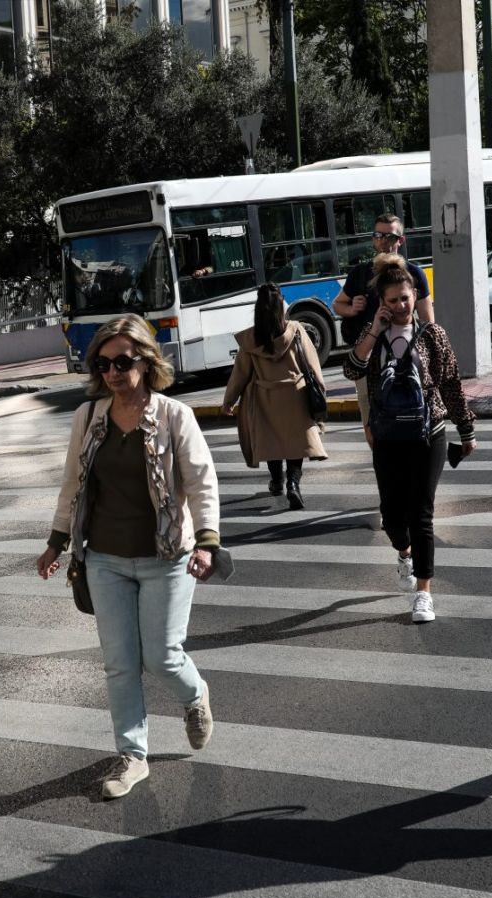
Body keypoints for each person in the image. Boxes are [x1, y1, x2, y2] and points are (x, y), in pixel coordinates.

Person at [36, 314, 221, 800]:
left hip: (166, 555)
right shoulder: (89, 417)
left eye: (122, 362)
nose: (113, 372)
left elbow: (201, 482)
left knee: (162, 657)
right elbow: (73, 485)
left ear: (146, 361)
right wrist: (56, 542)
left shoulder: (174, 415)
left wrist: (207, 542)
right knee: (119, 664)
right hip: (104, 559)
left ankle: (194, 695)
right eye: (103, 364)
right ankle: (132, 756)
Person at [342, 255, 477, 624]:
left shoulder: (433, 335)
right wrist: (374, 330)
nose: (401, 305)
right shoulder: (374, 337)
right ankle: (404, 553)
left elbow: (451, 384)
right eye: (393, 300)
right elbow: (351, 369)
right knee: (392, 518)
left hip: (428, 434)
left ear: (415, 295)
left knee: (421, 513)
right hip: (387, 436)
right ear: (382, 303)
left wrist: (466, 430)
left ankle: (423, 593)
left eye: (405, 298)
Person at [221, 283, 328, 509]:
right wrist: (320, 391)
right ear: (281, 306)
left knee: (272, 442)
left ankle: (277, 481)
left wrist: (229, 400)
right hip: (296, 396)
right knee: (296, 444)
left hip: (265, 397)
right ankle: (293, 484)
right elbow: (311, 364)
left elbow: (240, 374)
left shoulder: (250, 340)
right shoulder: (296, 330)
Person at [332, 214, 433, 445]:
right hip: (368, 359)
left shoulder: (414, 274)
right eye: (378, 235)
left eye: (390, 236)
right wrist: (352, 308)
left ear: (401, 240)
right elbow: (338, 305)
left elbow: (428, 322)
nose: (383, 241)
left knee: (412, 410)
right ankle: (381, 456)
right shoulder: (360, 273)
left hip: (406, 356)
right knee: (372, 419)